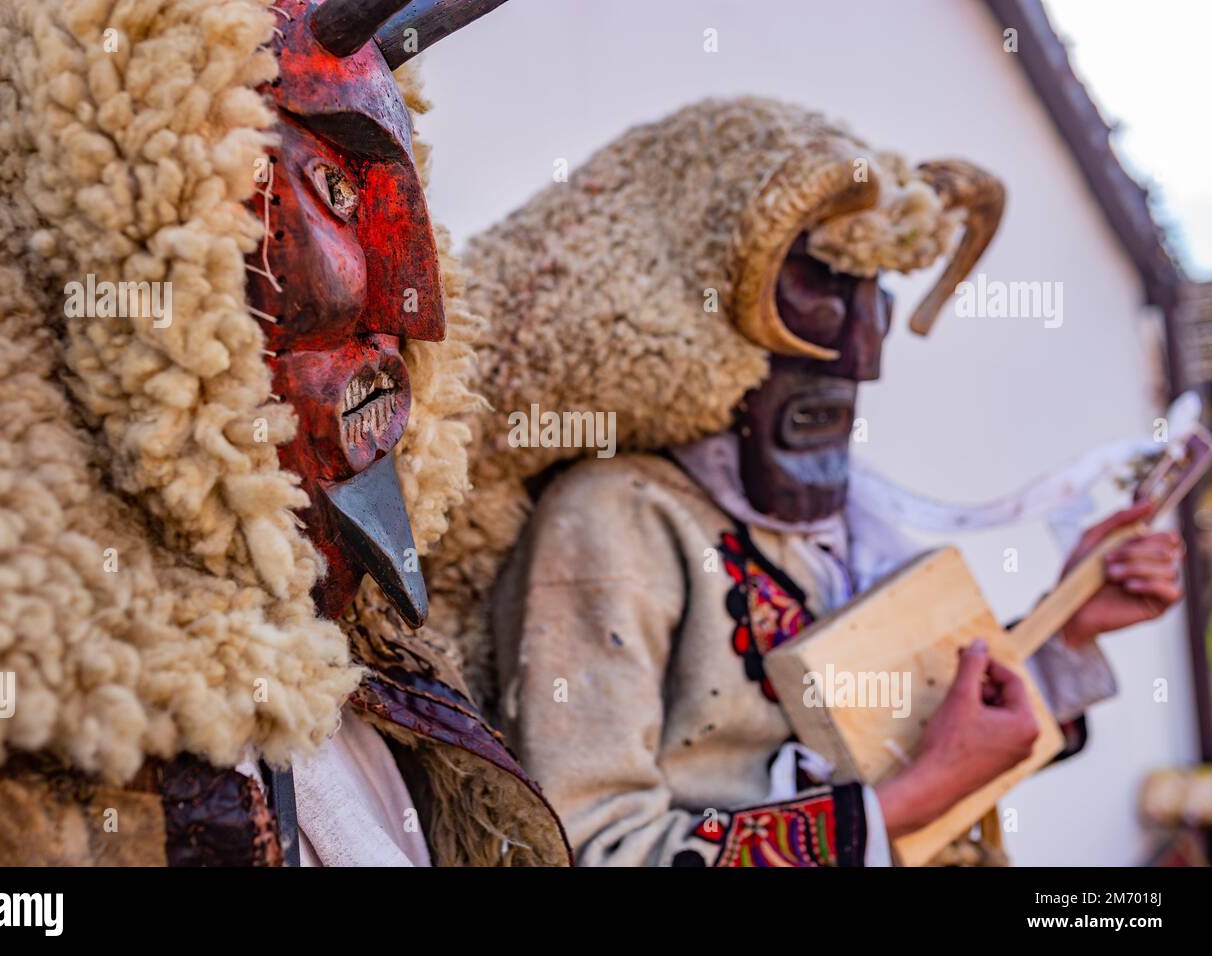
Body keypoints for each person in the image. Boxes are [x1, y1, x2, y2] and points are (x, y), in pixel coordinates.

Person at [430, 97, 1183, 866]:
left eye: (875, 299)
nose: (863, 356)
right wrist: (914, 799)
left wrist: (1073, 619)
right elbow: (587, 850)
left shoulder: (848, 523)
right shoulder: (615, 516)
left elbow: (916, 741)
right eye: (819, 287)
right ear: (698, 291)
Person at [0, 0, 567, 867]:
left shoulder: (383, 679)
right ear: (117, 229)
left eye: (410, 202)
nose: (417, 301)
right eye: (338, 189)